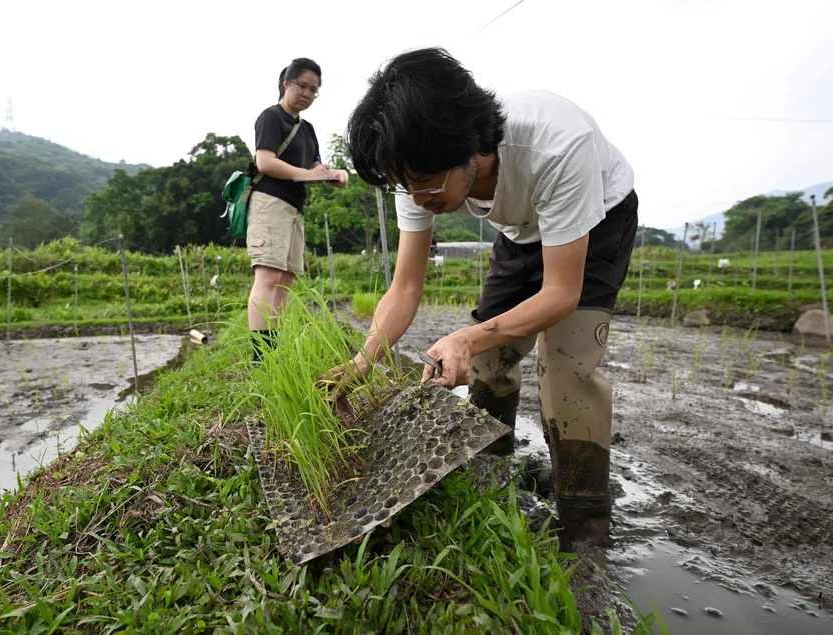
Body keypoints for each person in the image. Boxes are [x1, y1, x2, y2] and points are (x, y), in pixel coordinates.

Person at [336, 48, 638, 547]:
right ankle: (488, 469)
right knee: (490, 359)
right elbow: (406, 286)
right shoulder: (418, 173)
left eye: (424, 184)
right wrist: (363, 360)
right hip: (521, 230)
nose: (416, 199)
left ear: (469, 147)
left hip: (598, 218)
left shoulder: (558, 144)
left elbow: (561, 293)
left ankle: (584, 524)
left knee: (567, 369)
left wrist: (465, 335)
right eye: (403, 185)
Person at [247, 57, 348, 362]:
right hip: (269, 203)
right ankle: (260, 357)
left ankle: (272, 352)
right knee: (268, 277)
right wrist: (310, 174)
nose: (307, 93)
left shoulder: (308, 128)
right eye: (302, 85)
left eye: (314, 90)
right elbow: (265, 162)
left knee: (285, 280)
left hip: (294, 207)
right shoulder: (271, 118)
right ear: (286, 83)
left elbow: (314, 165)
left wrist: (333, 173)